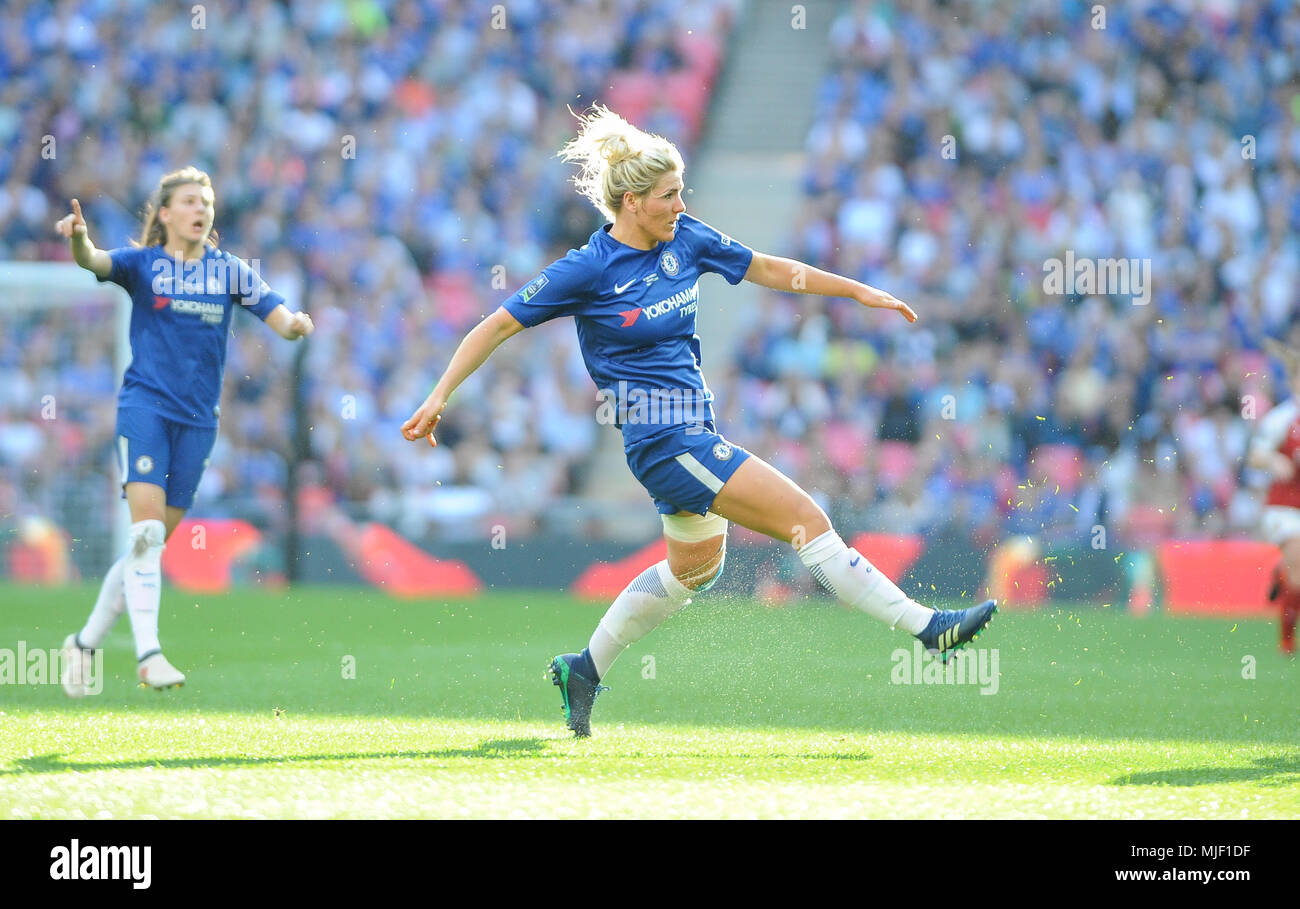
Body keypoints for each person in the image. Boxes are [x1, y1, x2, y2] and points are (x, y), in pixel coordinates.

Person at [402, 106, 996, 737]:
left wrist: (853, 290)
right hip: (663, 439)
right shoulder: (588, 268)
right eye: (669, 195)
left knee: (695, 571)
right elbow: (496, 324)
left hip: (693, 433)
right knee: (809, 522)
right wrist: (441, 394)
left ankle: (585, 669)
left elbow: (767, 267)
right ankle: (927, 628)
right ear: (631, 202)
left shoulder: (684, 238)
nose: (681, 203)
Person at [54, 166, 314, 696]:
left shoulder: (230, 271)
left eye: (208, 201)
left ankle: (82, 645)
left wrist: (298, 324)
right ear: (166, 213)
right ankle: (149, 656)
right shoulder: (143, 264)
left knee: (144, 550)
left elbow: (281, 320)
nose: (202, 209)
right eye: (191, 201)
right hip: (145, 410)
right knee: (146, 537)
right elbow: (95, 262)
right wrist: (80, 240)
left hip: (199, 424)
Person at [1249, 339, 1300, 656]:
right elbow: (1255, 455)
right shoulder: (1283, 419)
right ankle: (1286, 643)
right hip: (1285, 506)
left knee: (1296, 574)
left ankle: (1281, 574)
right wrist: (1274, 461)